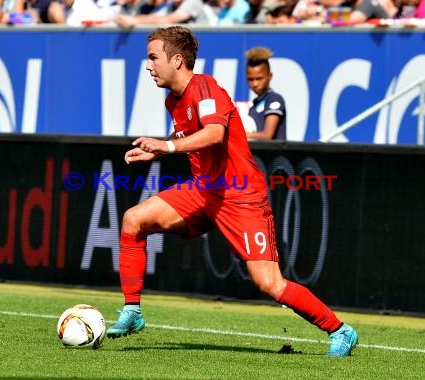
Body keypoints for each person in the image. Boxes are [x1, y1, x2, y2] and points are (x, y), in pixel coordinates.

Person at [105, 26, 358, 357]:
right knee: (133, 220)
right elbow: (190, 137)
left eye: (154, 58)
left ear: (177, 60)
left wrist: (166, 146)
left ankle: (340, 331)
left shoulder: (206, 86)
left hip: (241, 196)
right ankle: (133, 311)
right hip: (203, 191)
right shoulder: (173, 100)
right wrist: (159, 149)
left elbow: (214, 134)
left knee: (269, 283)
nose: (149, 66)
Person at [244, 47, 287, 140]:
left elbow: (267, 135)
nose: (255, 84)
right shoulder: (254, 105)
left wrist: (240, 135)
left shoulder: (274, 99)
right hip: (257, 154)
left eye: (259, 78)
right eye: (250, 79)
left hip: (274, 155)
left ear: (269, 76)